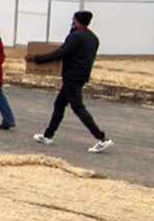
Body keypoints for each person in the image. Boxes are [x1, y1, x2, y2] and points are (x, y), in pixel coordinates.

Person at [29, 11, 112, 152]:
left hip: (72, 75)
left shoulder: (76, 37)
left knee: (78, 107)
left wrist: (37, 59)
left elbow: (61, 53)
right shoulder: (93, 37)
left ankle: (101, 138)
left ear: (77, 21)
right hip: (81, 75)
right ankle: (48, 135)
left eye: (73, 19)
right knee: (59, 104)